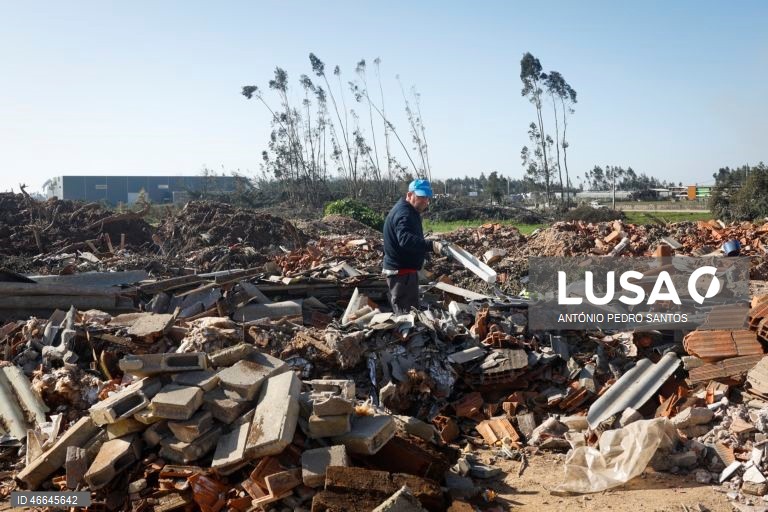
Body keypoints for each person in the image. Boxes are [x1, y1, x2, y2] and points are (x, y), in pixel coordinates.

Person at [382, 179, 446, 314]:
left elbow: (411, 238)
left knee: (411, 314)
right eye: (421, 196)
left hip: (405, 273)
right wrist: (431, 245)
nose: (425, 201)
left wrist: (423, 252)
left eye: (427, 197)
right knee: (406, 318)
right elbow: (405, 240)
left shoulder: (409, 211)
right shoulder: (404, 213)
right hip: (401, 275)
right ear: (410, 194)